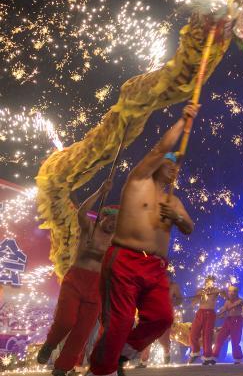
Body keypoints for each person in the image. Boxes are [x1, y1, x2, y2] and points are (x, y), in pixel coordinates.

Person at [86, 103, 198, 376]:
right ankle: (101, 370)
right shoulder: (138, 182)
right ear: (156, 166)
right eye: (168, 164)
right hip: (125, 258)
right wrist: (183, 122)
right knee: (120, 321)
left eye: (176, 167)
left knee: (162, 318)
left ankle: (124, 353)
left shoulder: (174, 200)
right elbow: (160, 149)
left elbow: (189, 227)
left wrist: (177, 216)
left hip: (156, 267)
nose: (173, 169)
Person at [37, 181, 118, 376]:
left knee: (82, 332)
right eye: (110, 220)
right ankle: (50, 344)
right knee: (65, 320)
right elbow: (81, 213)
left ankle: (62, 368)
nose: (113, 224)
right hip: (75, 280)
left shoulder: (115, 241)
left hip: (96, 287)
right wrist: (100, 191)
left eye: (117, 223)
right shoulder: (89, 229)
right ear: (103, 217)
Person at [139, 280, 183, 366]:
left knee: (163, 339)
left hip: (165, 314)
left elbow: (180, 300)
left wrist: (171, 303)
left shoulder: (173, 286)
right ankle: (143, 361)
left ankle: (166, 351)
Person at [189, 275, 222, 364]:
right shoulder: (200, 291)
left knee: (207, 336)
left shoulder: (216, 290)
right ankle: (195, 352)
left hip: (210, 313)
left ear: (213, 282)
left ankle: (207, 357)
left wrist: (221, 291)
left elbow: (226, 296)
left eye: (210, 281)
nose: (208, 283)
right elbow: (193, 302)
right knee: (193, 333)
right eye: (207, 281)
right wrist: (197, 298)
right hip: (200, 313)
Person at [211, 285, 243, 364]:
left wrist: (242, 303)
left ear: (236, 292)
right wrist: (219, 314)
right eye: (229, 291)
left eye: (232, 291)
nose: (230, 293)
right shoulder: (227, 302)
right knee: (219, 338)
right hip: (228, 320)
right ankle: (214, 357)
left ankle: (238, 358)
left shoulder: (240, 301)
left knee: (235, 341)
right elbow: (224, 310)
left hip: (237, 320)